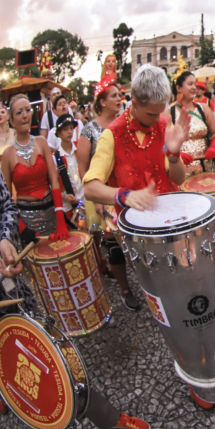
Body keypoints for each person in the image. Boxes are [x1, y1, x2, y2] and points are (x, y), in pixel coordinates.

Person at [0, 37, 151, 429]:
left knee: (56, 362)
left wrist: (6, 239)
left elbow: (3, 205)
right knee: (24, 391)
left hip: (3, 283)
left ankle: (108, 416)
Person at [83, 66, 193, 338]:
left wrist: (175, 154)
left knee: (181, 282)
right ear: (133, 102)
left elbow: (178, 178)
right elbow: (90, 187)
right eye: (152, 114)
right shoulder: (111, 135)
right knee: (156, 286)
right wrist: (124, 195)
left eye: (161, 112)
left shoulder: (163, 125)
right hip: (139, 232)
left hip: (170, 223)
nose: (158, 119)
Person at [76, 75, 139, 310]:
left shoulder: (127, 123)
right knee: (114, 246)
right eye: (114, 95)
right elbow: (83, 169)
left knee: (135, 241)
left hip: (127, 191)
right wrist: (97, 198)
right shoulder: (89, 130)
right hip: (103, 196)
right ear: (102, 102)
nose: (119, 98)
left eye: (120, 95)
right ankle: (125, 290)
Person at [1, 95, 70, 241]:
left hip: (51, 215)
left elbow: (54, 180)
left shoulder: (42, 142)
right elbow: (6, 197)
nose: (25, 115)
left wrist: (60, 216)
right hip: (26, 223)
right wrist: (20, 225)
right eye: (19, 112)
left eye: (28, 110)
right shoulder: (7, 154)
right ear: (11, 121)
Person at [167, 70, 215, 176]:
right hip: (182, 170)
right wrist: (177, 154)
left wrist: (213, 147)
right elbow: (161, 144)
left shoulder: (204, 109)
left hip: (206, 167)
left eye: (194, 84)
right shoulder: (168, 112)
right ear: (178, 88)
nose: (194, 88)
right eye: (190, 84)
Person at [53, 114, 84, 224]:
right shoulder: (56, 158)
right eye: (65, 129)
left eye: (71, 128)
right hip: (68, 206)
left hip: (84, 201)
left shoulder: (79, 149)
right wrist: (64, 196)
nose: (70, 132)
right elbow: (53, 184)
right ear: (58, 133)